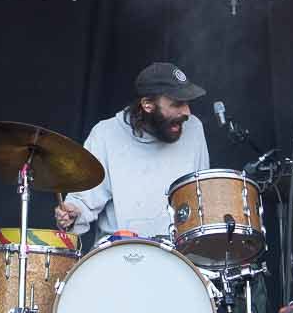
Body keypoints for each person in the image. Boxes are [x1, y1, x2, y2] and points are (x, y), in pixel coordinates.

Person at [54, 63, 209, 241]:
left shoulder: (194, 129)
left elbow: (201, 196)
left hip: (178, 254)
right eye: (177, 104)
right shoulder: (105, 134)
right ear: (147, 105)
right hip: (119, 254)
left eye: (187, 103)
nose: (187, 112)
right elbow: (83, 201)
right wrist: (73, 214)